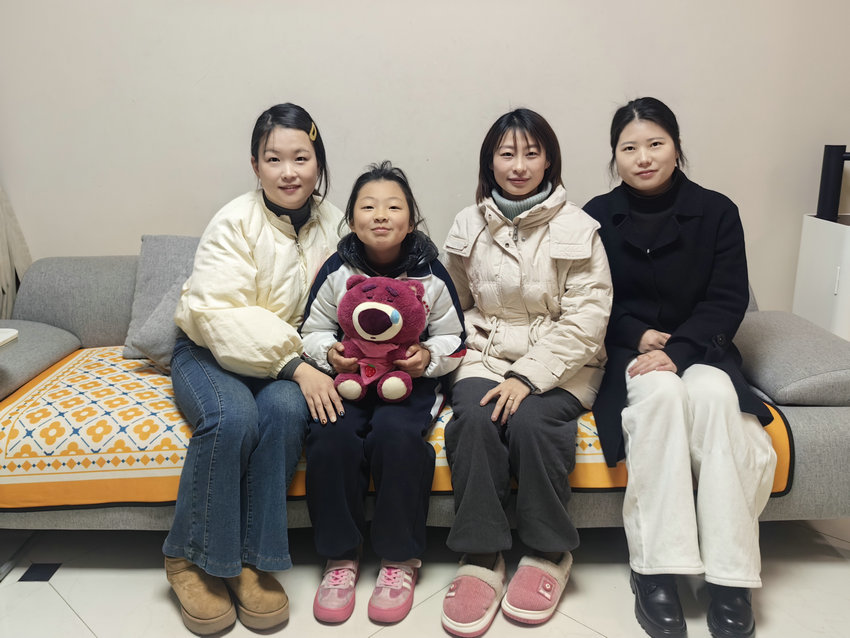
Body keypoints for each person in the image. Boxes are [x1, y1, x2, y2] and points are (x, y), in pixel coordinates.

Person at [583, 97, 778, 638]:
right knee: (661, 396)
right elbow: (588, 298)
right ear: (615, 156)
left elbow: (728, 297)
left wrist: (680, 349)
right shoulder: (595, 215)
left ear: (676, 147)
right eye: (629, 148)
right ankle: (656, 570)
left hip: (703, 348)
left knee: (715, 398)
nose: (643, 157)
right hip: (631, 352)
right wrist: (636, 335)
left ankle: (730, 577)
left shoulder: (717, 211)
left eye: (655, 144)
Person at [162, 103, 344, 635]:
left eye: (301, 158)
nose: (289, 172)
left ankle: (252, 559)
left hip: (285, 362)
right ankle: (187, 558)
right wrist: (296, 365)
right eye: (274, 159)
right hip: (208, 350)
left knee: (286, 412)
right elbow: (220, 315)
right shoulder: (233, 221)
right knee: (234, 418)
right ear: (255, 165)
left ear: (318, 162)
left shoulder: (335, 222)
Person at [440, 108, 613, 636]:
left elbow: (588, 319)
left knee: (533, 423)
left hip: (565, 362)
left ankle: (547, 552)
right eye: (507, 153)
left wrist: (528, 377)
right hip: (486, 353)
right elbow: (452, 302)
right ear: (490, 162)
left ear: (549, 162)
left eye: (531, 154)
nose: (518, 166)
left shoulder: (579, 227)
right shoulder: (467, 223)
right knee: (474, 420)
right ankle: (481, 554)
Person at [300, 161, 467, 625]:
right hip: (350, 379)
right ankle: (341, 557)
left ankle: (399, 559)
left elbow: (454, 339)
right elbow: (311, 329)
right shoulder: (338, 270)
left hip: (407, 383)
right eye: (368, 206)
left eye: (393, 207)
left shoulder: (431, 273)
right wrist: (329, 353)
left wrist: (427, 358)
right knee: (330, 436)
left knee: (395, 437)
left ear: (410, 220)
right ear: (352, 220)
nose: (380, 215)